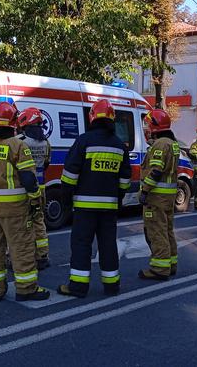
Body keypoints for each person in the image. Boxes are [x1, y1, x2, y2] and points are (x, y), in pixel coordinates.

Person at [0, 102, 50, 302]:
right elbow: (29, 180)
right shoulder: (17, 145)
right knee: (21, 247)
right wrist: (35, 200)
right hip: (15, 209)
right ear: (13, 123)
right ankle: (26, 288)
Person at [57, 99, 131, 298]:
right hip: (109, 208)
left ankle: (78, 287)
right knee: (108, 245)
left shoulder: (83, 141)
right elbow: (125, 180)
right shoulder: (119, 145)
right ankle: (112, 286)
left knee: (81, 244)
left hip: (84, 207)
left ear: (92, 117)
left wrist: (66, 199)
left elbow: (70, 174)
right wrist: (118, 197)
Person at [138, 109, 180, 281]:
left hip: (156, 197)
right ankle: (171, 264)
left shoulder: (160, 144)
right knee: (167, 230)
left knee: (156, 231)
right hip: (168, 197)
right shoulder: (172, 143)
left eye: (149, 123)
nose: (147, 126)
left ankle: (159, 269)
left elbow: (155, 171)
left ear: (155, 125)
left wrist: (144, 191)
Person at [17, 107, 52, 270]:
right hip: (41, 188)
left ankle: (18, 256)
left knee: (21, 224)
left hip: (23, 189)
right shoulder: (45, 142)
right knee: (39, 222)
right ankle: (42, 256)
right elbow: (46, 164)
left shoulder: (20, 141)